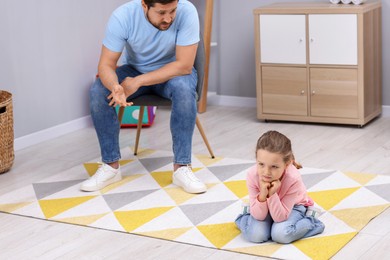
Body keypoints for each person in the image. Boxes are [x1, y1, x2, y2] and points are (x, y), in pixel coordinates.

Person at [80, 0, 207, 194]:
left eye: (172, 11)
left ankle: (182, 168)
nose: (168, 18)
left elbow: (184, 66)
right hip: (135, 69)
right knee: (99, 91)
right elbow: (106, 65)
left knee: (183, 89)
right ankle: (110, 166)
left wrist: (138, 82)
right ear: (144, 6)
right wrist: (115, 87)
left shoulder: (187, 11)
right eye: (161, 12)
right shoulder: (122, 17)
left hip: (173, 73)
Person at [235, 131, 325, 244]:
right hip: (264, 206)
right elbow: (259, 216)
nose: (266, 172)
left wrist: (272, 194)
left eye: (274, 166)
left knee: (280, 235)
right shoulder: (252, 175)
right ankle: (246, 215)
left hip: (293, 207)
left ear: (287, 164)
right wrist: (262, 196)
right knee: (256, 235)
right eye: (261, 164)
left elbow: (280, 218)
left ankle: (311, 221)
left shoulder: (293, 178)